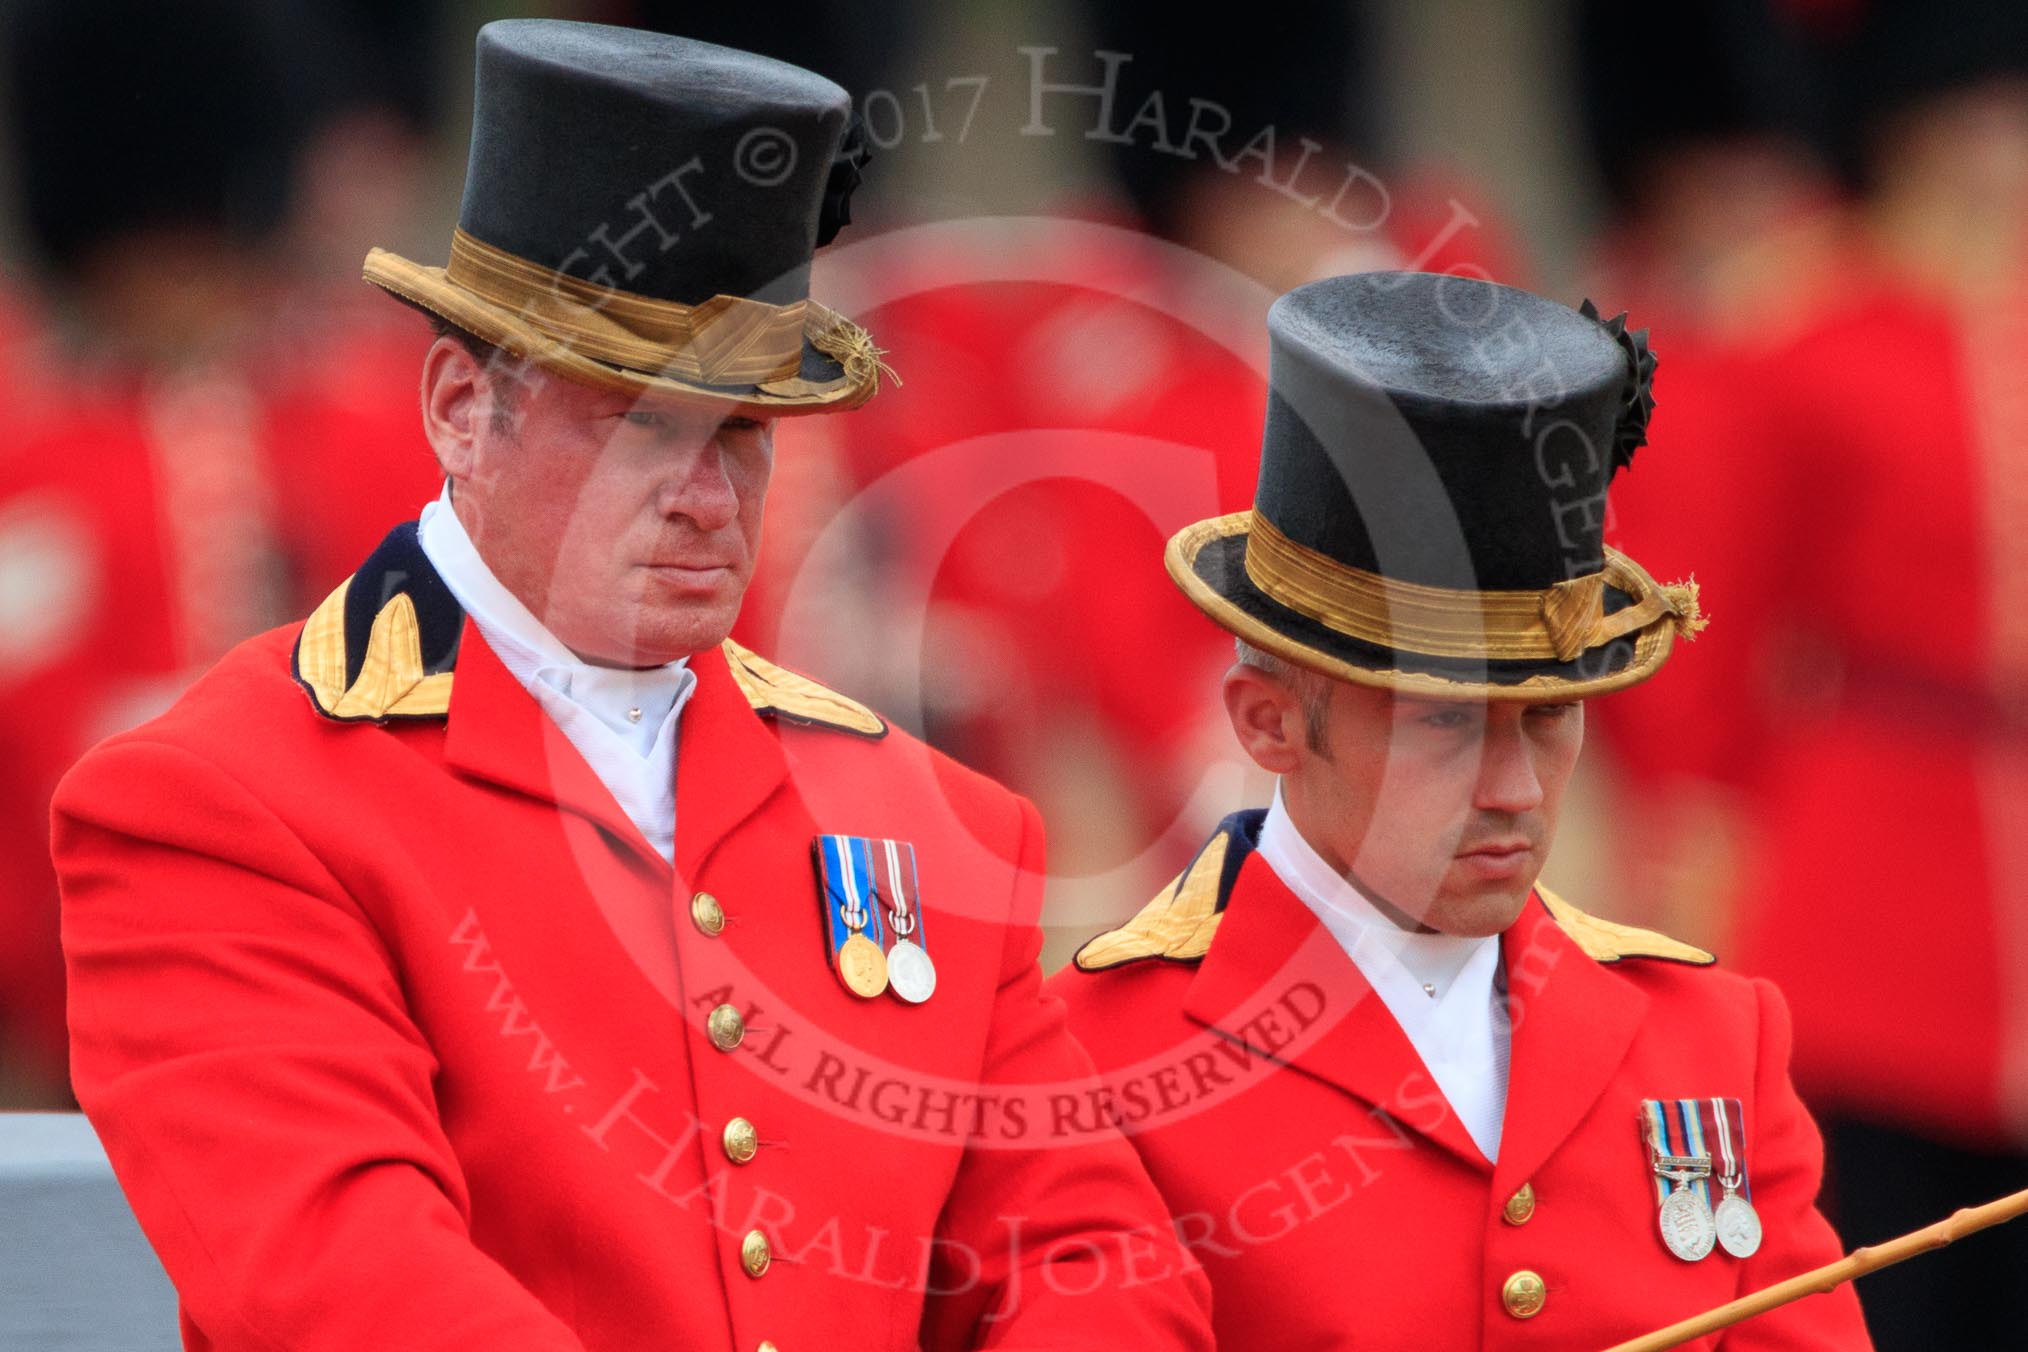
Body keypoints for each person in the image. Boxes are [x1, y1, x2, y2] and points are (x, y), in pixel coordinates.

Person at [52, 21, 1213, 1351]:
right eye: (639, 421)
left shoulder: (926, 814)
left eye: (744, 433)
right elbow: (344, 1285)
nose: (712, 498)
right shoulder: (222, 804)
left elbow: (1093, 1256)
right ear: (457, 407)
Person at [1046, 271, 1873, 1348]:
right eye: (1445, 724)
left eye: (1548, 717)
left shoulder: (1714, 1037)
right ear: (1269, 722)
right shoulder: (1094, 1058)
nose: (1519, 790)